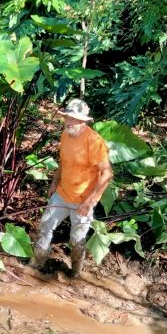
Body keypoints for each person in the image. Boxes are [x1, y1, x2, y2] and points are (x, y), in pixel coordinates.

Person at [29, 98, 113, 277]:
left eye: (73, 118)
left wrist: (89, 202)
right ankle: (35, 265)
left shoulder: (94, 141)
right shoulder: (66, 134)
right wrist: (54, 183)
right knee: (45, 225)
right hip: (62, 193)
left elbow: (107, 173)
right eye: (67, 117)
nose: (68, 121)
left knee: (76, 240)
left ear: (83, 121)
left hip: (83, 199)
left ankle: (75, 272)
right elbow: (63, 162)